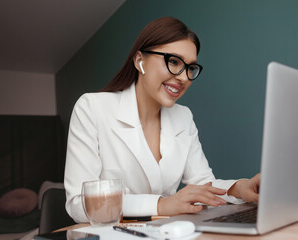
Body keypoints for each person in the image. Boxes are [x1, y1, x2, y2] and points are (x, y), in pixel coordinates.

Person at [64, 16, 260, 223]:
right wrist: (161, 205)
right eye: (174, 62)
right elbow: (79, 204)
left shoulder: (183, 116)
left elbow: (203, 184)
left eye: (190, 68)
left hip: (166, 232)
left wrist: (239, 188)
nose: (184, 77)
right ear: (140, 61)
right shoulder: (92, 108)